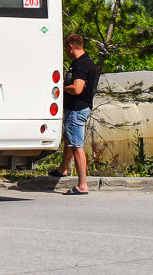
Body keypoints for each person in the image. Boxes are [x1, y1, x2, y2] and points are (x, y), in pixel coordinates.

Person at [57, 33, 99, 196]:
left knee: (76, 146)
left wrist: (60, 87)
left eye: (65, 48)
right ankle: (62, 169)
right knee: (69, 140)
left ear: (70, 47)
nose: (65, 52)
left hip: (77, 109)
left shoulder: (81, 65)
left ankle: (82, 185)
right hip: (78, 109)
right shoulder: (87, 60)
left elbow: (77, 88)